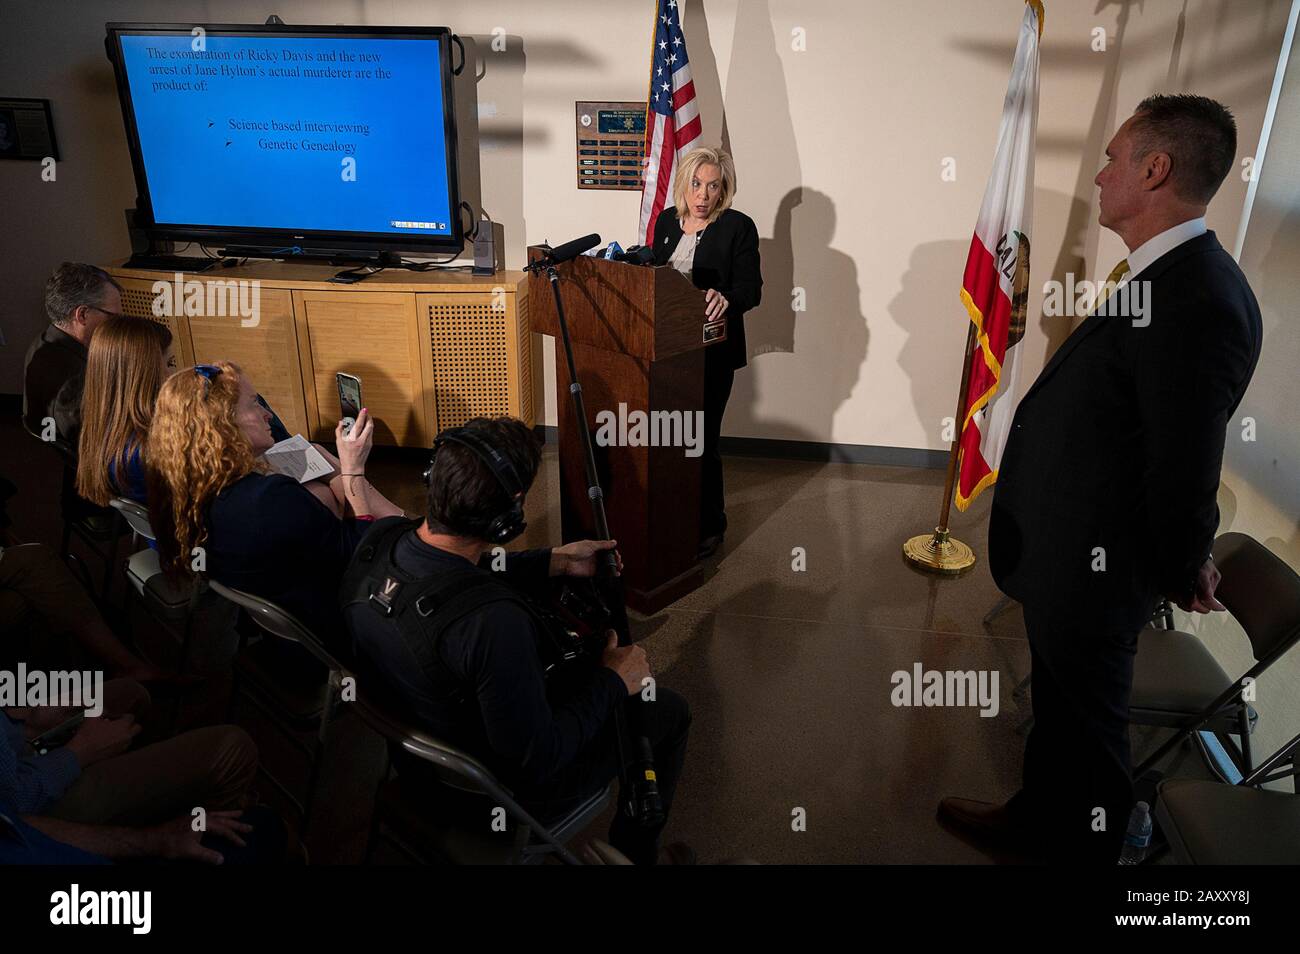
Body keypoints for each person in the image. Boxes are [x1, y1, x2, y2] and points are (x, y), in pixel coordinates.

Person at [939, 95, 1263, 863]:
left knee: (1089, 739)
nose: (1099, 172)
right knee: (1061, 716)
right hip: (1073, 557)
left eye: (1114, 158)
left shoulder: (1198, 298)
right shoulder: (1170, 273)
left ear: (1156, 169)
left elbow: (1185, 464)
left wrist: (1186, 564)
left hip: (1099, 568)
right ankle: (1035, 822)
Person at [342, 416, 693, 865]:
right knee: (666, 711)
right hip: (489, 794)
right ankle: (635, 857)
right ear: (510, 514)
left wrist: (551, 561)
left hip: (414, 762)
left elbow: (452, 577)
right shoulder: (494, 626)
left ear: (435, 477)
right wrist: (612, 680)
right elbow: (537, 759)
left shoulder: (379, 543)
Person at [147, 361, 403, 648]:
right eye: (255, 404)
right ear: (223, 421)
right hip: (341, 621)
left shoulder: (194, 490)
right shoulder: (267, 499)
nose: (267, 414)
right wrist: (352, 469)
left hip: (282, 623)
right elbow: (358, 551)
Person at [651, 146, 762, 558]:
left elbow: (752, 290)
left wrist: (726, 298)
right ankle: (670, 515)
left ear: (723, 189)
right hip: (665, 351)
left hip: (712, 354)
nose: (703, 195)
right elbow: (652, 275)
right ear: (685, 183)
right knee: (668, 438)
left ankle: (709, 526)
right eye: (697, 184)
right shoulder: (666, 221)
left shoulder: (738, 227)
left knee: (700, 439)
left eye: (713, 186)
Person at [76, 316, 176, 506]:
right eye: (169, 364)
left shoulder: (106, 430)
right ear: (145, 374)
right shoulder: (148, 450)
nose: (173, 374)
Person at [23, 262, 123, 445]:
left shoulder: (43, 340)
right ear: (83, 314)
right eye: (113, 317)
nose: (117, 326)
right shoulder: (76, 381)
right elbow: (99, 445)